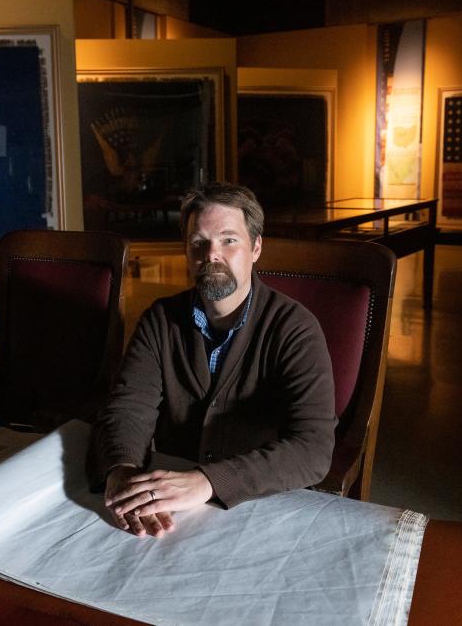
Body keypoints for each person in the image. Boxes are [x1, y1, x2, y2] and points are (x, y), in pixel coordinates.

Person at [88, 182, 337, 537]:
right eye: (198, 242)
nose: (211, 254)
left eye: (228, 240)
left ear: (256, 247)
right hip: (176, 513)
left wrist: (207, 481)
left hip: (259, 508)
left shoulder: (296, 328)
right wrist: (121, 469)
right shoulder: (160, 320)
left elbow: (312, 448)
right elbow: (128, 409)